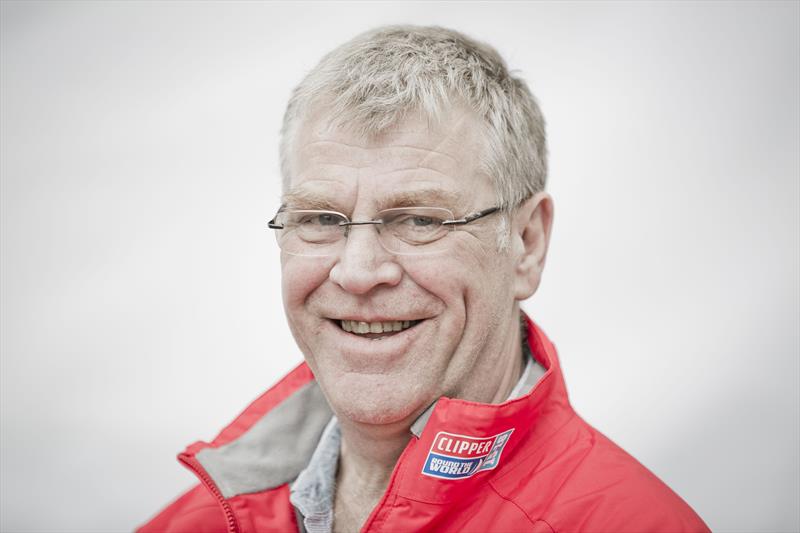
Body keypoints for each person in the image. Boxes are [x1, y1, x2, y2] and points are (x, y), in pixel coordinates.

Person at [139, 25, 709, 533]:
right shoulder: (202, 521)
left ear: (527, 244)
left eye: (419, 219)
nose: (359, 272)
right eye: (319, 219)